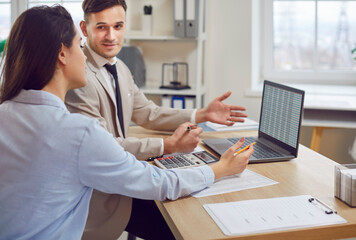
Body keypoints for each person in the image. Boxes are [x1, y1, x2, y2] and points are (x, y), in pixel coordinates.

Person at [0, 5, 253, 240]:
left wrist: (200, 114)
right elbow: (157, 182)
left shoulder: (6, 112)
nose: (84, 55)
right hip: (103, 200)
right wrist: (220, 169)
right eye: (80, 43)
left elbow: (146, 112)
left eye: (118, 26)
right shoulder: (79, 132)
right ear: (62, 53)